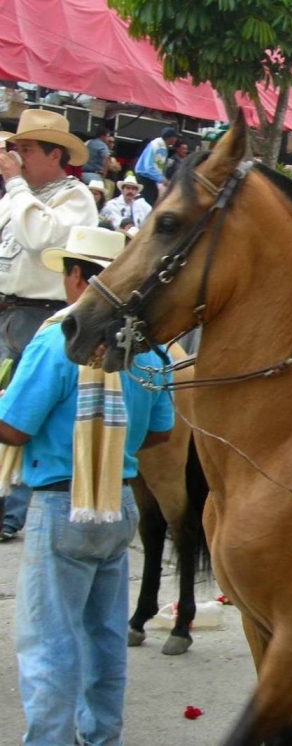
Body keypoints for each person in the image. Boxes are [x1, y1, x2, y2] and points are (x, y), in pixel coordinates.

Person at [0, 225, 173, 745]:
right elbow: (160, 433)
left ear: (78, 277)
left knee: (49, 641)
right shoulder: (148, 351)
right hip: (117, 503)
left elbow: (13, 427)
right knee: (102, 637)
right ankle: (101, 737)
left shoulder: (59, 339)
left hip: (60, 503)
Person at [0, 109, 97, 543]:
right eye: (15, 149)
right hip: (7, 307)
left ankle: (9, 511)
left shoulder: (75, 197)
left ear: (54, 154)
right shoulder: (15, 195)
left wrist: (16, 184)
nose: (17, 157)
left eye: (26, 149)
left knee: (24, 410)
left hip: (39, 312)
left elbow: (40, 238)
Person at [134, 126, 178, 205]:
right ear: (170, 138)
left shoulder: (164, 147)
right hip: (144, 177)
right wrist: (162, 179)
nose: (176, 139)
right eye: (175, 137)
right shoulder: (155, 145)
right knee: (147, 203)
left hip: (152, 179)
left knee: (154, 201)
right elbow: (148, 167)